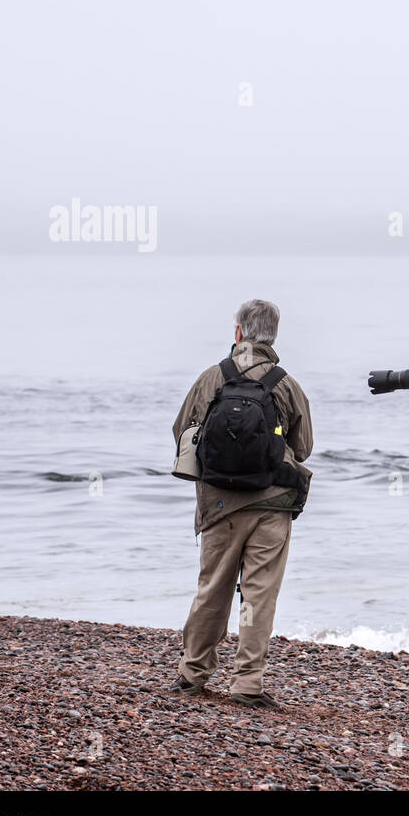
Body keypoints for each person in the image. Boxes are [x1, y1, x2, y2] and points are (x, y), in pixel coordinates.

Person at [170, 299, 313, 709]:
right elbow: (302, 448)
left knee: (212, 590)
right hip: (273, 504)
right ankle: (247, 683)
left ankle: (192, 673)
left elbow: (182, 431)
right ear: (274, 336)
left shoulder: (212, 377)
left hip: (218, 506)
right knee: (258, 596)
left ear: (238, 333)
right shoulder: (286, 384)